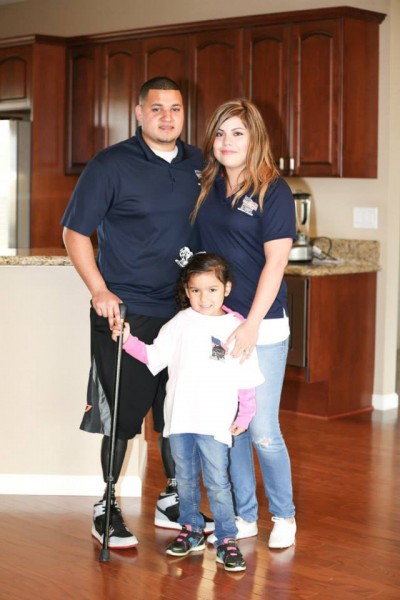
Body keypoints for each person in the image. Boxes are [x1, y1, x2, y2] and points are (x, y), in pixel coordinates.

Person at [61, 76, 213, 549]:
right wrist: (99, 291)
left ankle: (173, 496)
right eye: (157, 108)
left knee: (176, 412)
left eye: (176, 109)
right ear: (139, 112)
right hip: (126, 313)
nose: (167, 117)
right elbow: (74, 232)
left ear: (185, 114)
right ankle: (106, 505)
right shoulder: (110, 165)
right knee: (123, 416)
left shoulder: (201, 163)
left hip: (185, 314)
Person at [112, 252, 264, 571]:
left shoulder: (236, 327)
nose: (204, 298)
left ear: (227, 289)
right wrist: (126, 340)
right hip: (180, 419)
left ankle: (226, 538)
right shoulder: (180, 322)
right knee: (184, 480)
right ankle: (191, 530)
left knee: (218, 482)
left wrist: (245, 415)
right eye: (196, 290)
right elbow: (154, 356)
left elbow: (246, 376)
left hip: (214, 422)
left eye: (212, 289)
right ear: (186, 291)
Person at [193, 99, 297, 549]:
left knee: (263, 429)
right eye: (220, 133)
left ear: (255, 138)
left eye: (237, 133)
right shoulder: (209, 186)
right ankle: (244, 515)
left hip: (263, 325)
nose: (227, 142)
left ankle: (285, 516)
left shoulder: (273, 190)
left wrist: (252, 323)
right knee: (231, 423)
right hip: (219, 325)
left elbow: (276, 263)